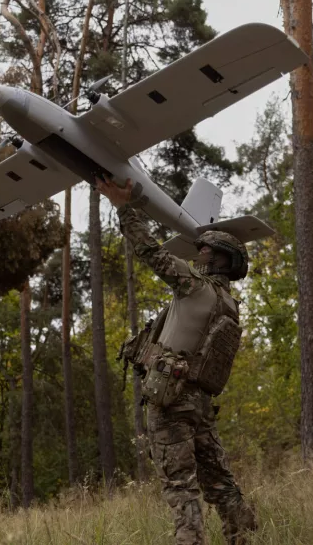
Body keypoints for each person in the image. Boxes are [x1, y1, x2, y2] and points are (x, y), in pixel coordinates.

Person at [97, 177, 257, 545]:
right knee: (219, 480)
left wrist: (123, 206)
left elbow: (150, 251)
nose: (196, 254)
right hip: (200, 404)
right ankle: (242, 532)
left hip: (170, 401)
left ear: (216, 258)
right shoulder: (230, 306)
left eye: (203, 251)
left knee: (180, 486)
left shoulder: (195, 286)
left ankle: (191, 539)